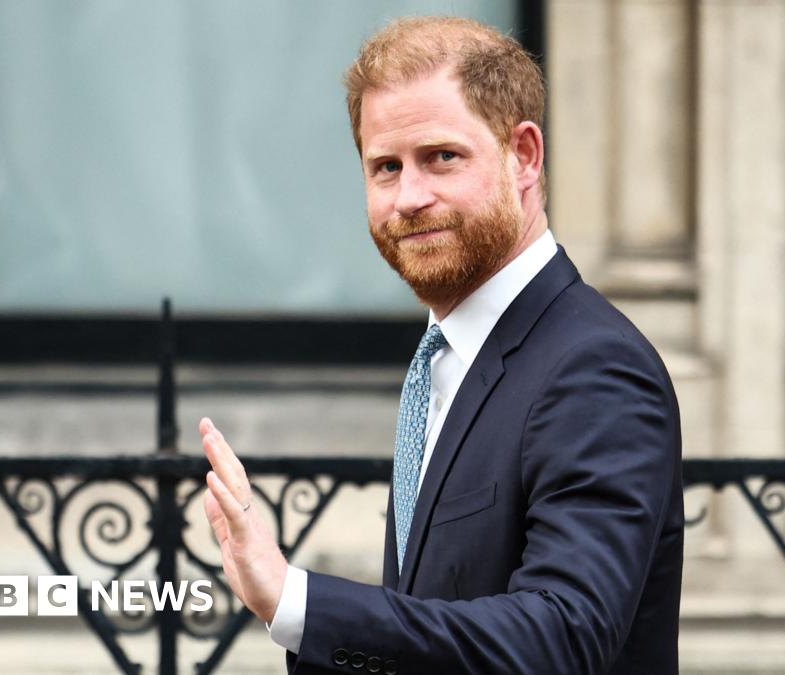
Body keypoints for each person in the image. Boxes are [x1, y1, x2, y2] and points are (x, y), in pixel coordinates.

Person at [200, 16, 684, 675]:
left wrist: (297, 600)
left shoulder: (596, 368)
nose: (410, 197)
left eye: (442, 157)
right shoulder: (444, 358)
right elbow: (430, 628)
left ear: (525, 156)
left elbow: (563, 637)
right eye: (385, 168)